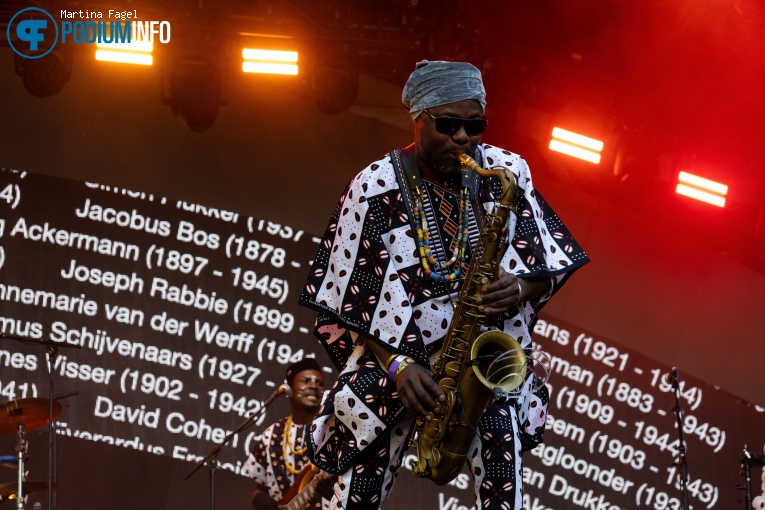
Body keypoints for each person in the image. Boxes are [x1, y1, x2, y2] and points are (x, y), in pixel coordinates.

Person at [299, 60, 589, 510]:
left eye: (474, 125)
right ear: (418, 117)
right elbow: (353, 291)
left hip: (482, 364)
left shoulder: (507, 171)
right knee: (355, 497)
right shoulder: (373, 186)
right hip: (396, 365)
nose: (463, 138)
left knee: (505, 495)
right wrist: (398, 367)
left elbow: (549, 257)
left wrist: (520, 288)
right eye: (448, 124)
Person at [242, 358, 335, 510]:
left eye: (320, 384)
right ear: (289, 390)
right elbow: (260, 488)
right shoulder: (271, 434)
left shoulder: (336, 432)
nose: (314, 386)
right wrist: (258, 497)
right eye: (306, 381)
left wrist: (336, 492)